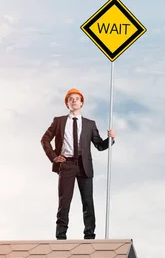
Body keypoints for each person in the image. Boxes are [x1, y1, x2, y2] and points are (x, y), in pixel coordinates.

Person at [41, 88, 115, 240]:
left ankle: (89, 235)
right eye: (71, 99)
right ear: (67, 103)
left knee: (88, 201)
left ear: (82, 103)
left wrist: (111, 139)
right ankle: (61, 235)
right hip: (66, 165)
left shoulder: (90, 124)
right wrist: (54, 157)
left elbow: (99, 146)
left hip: (84, 165)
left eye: (77, 99)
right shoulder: (59, 121)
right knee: (64, 201)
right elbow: (45, 140)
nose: (74, 101)